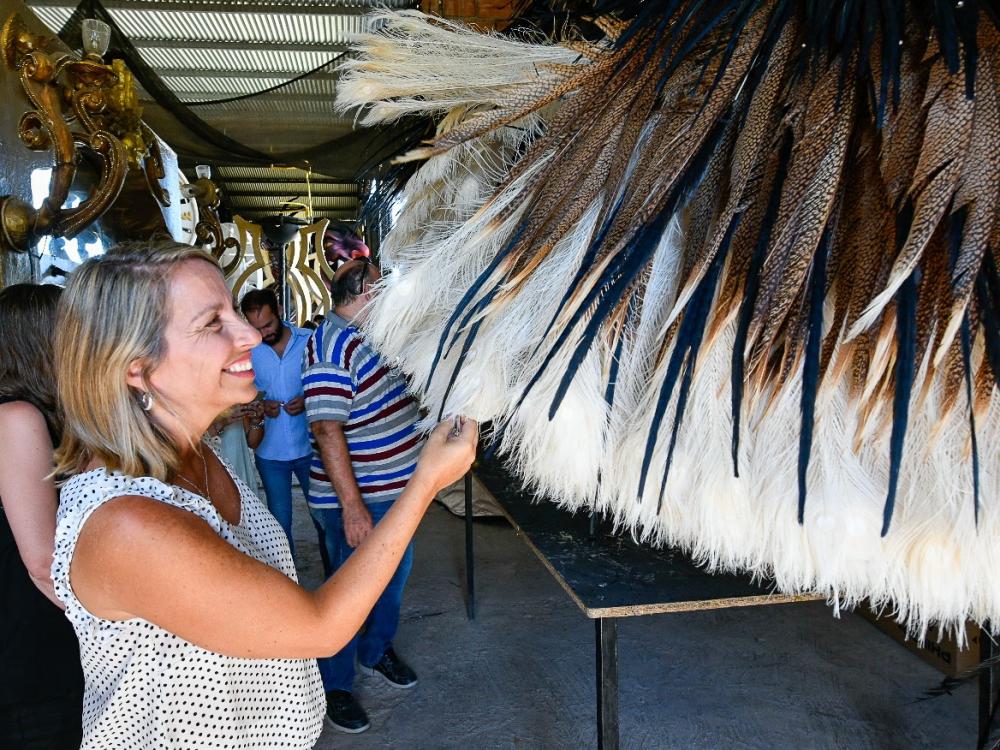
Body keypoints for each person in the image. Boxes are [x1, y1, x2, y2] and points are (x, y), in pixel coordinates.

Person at [51, 241, 476, 749]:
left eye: (236, 311)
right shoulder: (127, 525)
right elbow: (319, 627)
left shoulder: (201, 455)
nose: (250, 333)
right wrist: (425, 482)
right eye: (213, 323)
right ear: (136, 367)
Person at [303, 258, 426, 733]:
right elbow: (327, 429)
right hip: (359, 501)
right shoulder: (331, 344)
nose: (389, 292)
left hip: (394, 492)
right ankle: (334, 686)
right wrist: (352, 509)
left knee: (392, 582)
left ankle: (376, 652)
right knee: (347, 595)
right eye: (381, 285)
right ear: (363, 291)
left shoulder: (371, 336)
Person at [0, 283, 83, 749]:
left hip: (44, 641)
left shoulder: (41, 415)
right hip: (31, 651)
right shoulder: (16, 416)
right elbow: (42, 559)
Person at [239, 288, 313, 556]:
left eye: (268, 324)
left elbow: (325, 384)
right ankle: (289, 590)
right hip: (270, 454)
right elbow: (243, 395)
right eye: (257, 328)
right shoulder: (247, 353)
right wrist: (259, 405)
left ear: (280, 310)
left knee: (325, 519)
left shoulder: (309, 342)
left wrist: (307, 399)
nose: (264, 333)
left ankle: (335, 582)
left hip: (311, 448)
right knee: (279, 528)